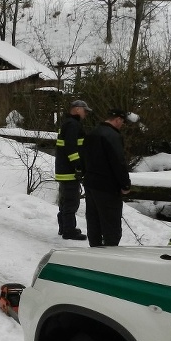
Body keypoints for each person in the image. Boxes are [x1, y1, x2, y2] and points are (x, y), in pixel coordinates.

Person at [83, 109, 133, 247]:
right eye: (122, 122)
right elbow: (118, 162)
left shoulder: (92, 133)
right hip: (107, 186)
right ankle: (110, 253)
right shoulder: (112, 136)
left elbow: (83, 158)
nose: (122, 125)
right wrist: (125, 185)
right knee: (111, 224)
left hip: (90, 183)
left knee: (94, 220)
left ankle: (95, 248)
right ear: (117, 119)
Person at [54, 99, 90, 240]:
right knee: (71, 201)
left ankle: (64, 227)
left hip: (64, 170)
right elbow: (71, 148)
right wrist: (78, 166)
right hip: (69, 171)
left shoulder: (67, 124)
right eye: (84, 110)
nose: (85, 113)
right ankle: (69, 230)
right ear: (76, 109)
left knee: (65, 200)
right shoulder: (72, 125)